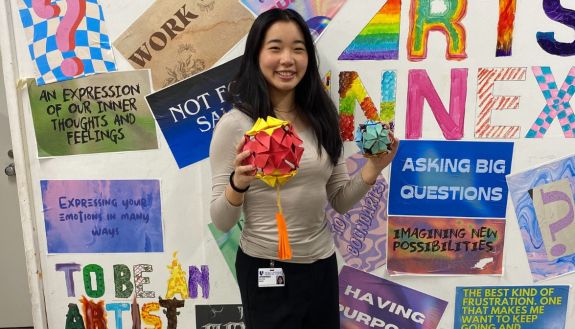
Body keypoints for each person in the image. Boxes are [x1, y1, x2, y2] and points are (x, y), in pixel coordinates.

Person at [209, 8, 399, 329]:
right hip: (266, 268)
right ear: (256, 55)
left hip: (321, 265)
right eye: (275, 48)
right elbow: (221, 220)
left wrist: (373, 169)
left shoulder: (322, 117)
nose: (288, 59)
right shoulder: (236, 125)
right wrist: (237, 184)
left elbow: (338, 199)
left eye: (298, 48)